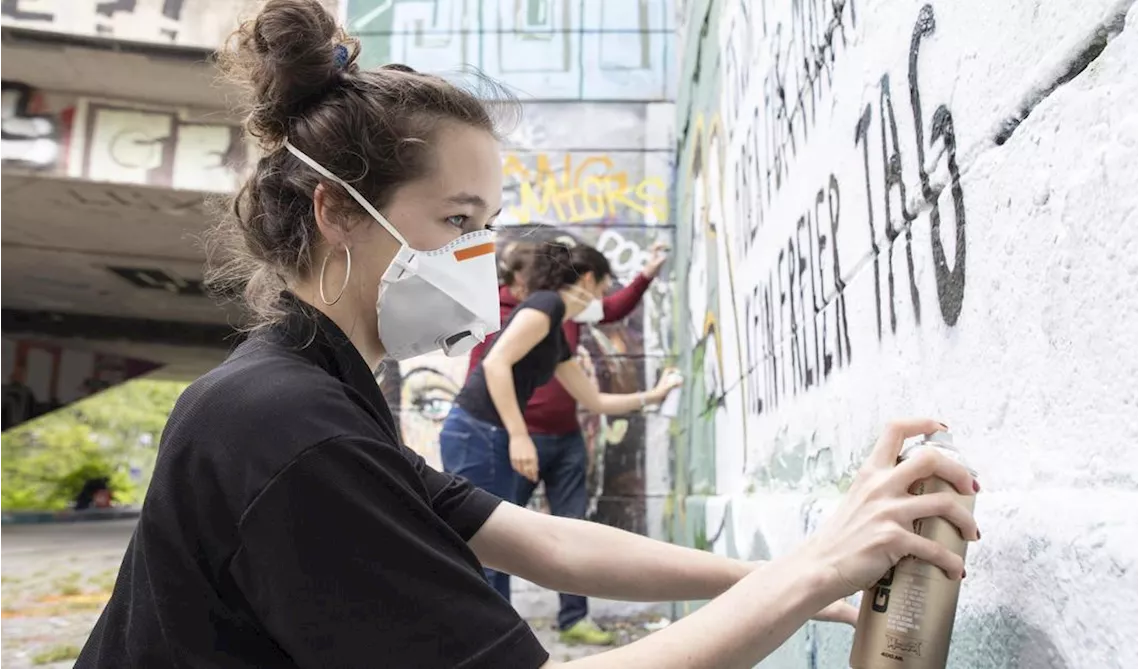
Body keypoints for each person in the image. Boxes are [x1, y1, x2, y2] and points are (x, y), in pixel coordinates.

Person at [73, 2, 979, 667]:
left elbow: (547, 543)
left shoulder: (308, 389)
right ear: (337, 211)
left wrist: (790, 572)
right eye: (457, 217)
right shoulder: (284, 425)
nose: (482, 254)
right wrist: (811, 574)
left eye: (488, 222)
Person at [441, 240, 683, 605]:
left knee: (493, 546)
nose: (603, 295)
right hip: (479, 430)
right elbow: (496, 364)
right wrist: (519, 437)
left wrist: (653, 396)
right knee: (487, 546)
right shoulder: (546, 304)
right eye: (603, 286)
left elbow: (593, 400)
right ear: (588, 279)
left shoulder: (556, 331)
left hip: (489, 432)